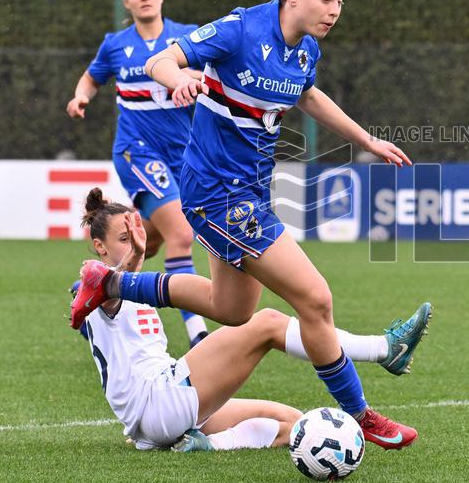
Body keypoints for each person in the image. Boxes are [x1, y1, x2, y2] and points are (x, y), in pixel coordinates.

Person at [72, 0, 425, 449]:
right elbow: (159, 59)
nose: (335, 10)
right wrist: (181, 79)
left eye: (342, 2)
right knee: (316, 299)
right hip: (217, 194)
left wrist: (365, 139)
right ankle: (364, 416)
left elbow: (309, 97)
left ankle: (111, 285)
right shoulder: (239, 31)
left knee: (233, 309)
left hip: (249, 193)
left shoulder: (305, 51)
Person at [75, 188, 431, 452]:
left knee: (294, 423)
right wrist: (130, 262)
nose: (133, 243)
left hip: (161, 415)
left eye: (135, 236)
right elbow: (108, 291)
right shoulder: (91, 286)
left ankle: (207, 444)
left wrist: (136, 254)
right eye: (122, 239)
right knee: (267, 323)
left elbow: (123, 291)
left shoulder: (123, 284)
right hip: (160, 401)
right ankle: (382, 348)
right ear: (98, 246)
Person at [66, 0, 208, 348]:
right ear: (127, 1)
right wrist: (81, 97)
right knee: (182, 232)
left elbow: (204, 74)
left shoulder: (185, 37)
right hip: (137, 152)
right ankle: (199, 334)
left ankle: (95, 288)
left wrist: (194, 78)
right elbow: (91, 78)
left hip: (185, 153)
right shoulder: (116, 44)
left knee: (151, 241)